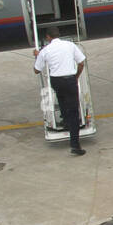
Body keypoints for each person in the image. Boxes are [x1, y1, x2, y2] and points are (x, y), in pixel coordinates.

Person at [33, 27, 87, 155]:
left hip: (56, 81)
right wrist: (76, 76)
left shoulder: (45, 50)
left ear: (48, 37)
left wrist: (38, 56)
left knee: (61, 98)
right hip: (70, 80)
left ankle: (65, 120)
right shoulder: (70, 45)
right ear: (59, 35)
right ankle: (75, 145)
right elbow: (81, 63)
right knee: (74, 111)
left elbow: (36, 70)